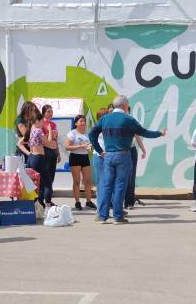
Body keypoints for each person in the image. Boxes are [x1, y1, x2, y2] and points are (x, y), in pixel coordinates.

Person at [90, 95, 165, 224]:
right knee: (120, 186)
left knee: (107, 185)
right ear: (125, 105)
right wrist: (159, 133)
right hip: (123, 155)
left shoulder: (105, 119)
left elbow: (92, 134)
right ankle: (118, 217)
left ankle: (102, 216)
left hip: (108, 155)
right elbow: (143, 132)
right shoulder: (128, 119)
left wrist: (100, 151)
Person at [66, 114, 96, 211]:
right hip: (75, 157)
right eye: (81, 121)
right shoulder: (72, 133)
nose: (83, 123)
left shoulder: (87, 133)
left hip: (85, 157)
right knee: (77, 181)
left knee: (88, 180)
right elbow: (67, 147)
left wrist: (90, 147)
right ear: (76, 123)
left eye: (84, 121)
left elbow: (91, 146)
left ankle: (88, 201)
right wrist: (80, 146)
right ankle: (77, 202)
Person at [40, 104, 60, 207]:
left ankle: (48, 199)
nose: (50, 113)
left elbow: (55, 139)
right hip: (45, 151)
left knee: (51, 177)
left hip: (53, 152)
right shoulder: (42, 123)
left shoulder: (53, 124)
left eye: (51, 111)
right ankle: (42, 200)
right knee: (45, 177)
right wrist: (51, 133)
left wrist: (58, 153)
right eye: (48, 111)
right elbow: (44, 139)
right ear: (43, 112)